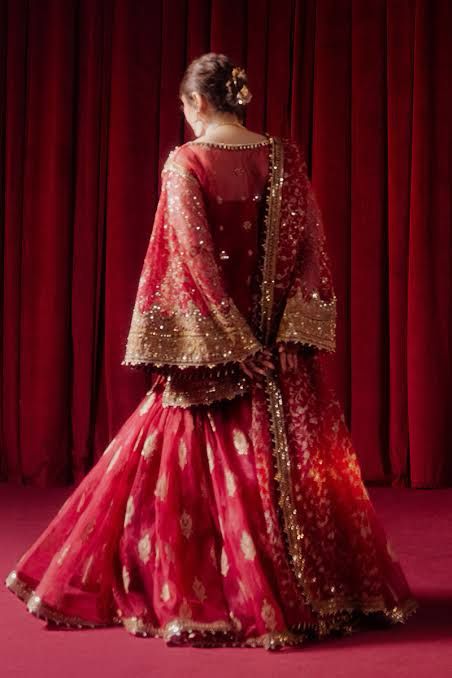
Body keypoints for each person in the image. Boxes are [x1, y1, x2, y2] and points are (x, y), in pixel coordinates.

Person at [4, 52, 418, 651]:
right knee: (309, 477)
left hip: (215, 359)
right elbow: (312, 246)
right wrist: (288, 337)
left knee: (167, 472)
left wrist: (234, 342)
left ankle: (217, 594)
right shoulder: (285, 157)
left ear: (197, 102)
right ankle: (320, 593)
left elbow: (194, 260)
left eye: (185, 107)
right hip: (281, 364)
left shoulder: (187, 162)